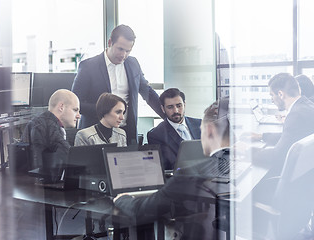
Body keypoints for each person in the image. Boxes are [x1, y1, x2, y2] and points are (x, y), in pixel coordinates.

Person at [113, 98, 231, 240]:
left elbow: (144, 210)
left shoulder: (190, 175)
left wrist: (122, 199)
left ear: (210, 130)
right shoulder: (249, 165)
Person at [72, 24, 165, 145]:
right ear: (110, 42)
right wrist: (106, 112)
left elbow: (147, 92)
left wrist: (167, 116)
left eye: (128, 51)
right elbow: (76, 103)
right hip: (96, 134)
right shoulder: (88, 66)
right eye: (120, 49)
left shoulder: (133, 64)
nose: (124, 55)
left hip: (126, 132)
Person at [244, 73, 314, 175]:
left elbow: (276, 156)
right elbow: (290, 136)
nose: (272, 100)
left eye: (272, 95)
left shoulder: (295, 115)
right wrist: (261, 136)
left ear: (280, 94)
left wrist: (246, 150)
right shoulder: (307, 105)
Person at [21, 89, 81, 171]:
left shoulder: (46, 123)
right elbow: (69, 158)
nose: (78, 116)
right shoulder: (47, 125)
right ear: (61, 107)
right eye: (75, 110)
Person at [147, 88, 201, 170]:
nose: (175, 111)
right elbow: (168, 166)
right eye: (170, 107)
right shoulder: (156, 135)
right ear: (163, 109)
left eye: (179, 106)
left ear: (184, 105)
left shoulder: (200, 124)